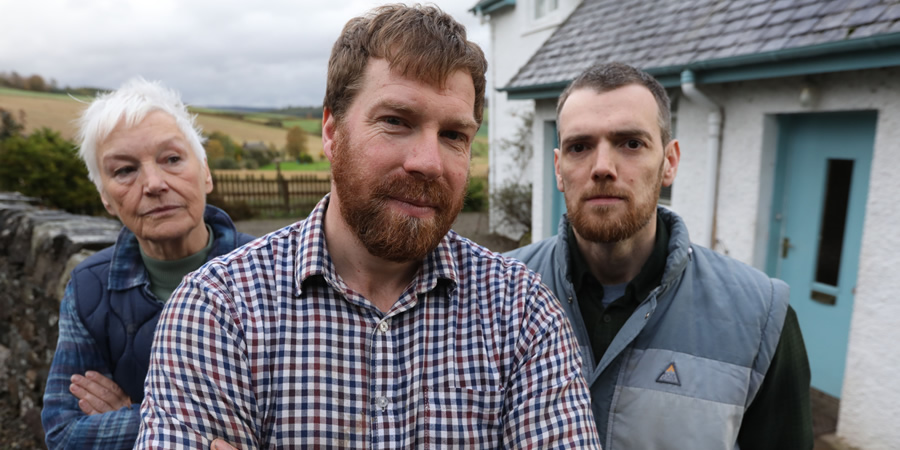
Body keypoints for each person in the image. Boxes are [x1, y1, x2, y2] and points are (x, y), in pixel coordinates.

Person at [135, 4, 599, 449]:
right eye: (396, 121)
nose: (428, 163)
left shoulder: (521, 314)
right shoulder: (221, 309)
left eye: (454, 135)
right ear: (332, 132)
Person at [506, 62, 813, 450]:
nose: (602, 167)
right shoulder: (498, 294)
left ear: (669, 162)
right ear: (559, 168)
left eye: (631, 143)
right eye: (580, 147)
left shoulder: (763, 317)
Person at [40, 78, 255, 449]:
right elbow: (64, 434)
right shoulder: (90, 286)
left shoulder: (272, 273)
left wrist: (137, 414)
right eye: (124, 170)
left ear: (205, 172)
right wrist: (173, 421)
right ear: (106, 197)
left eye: (172, 159)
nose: (154, 183)